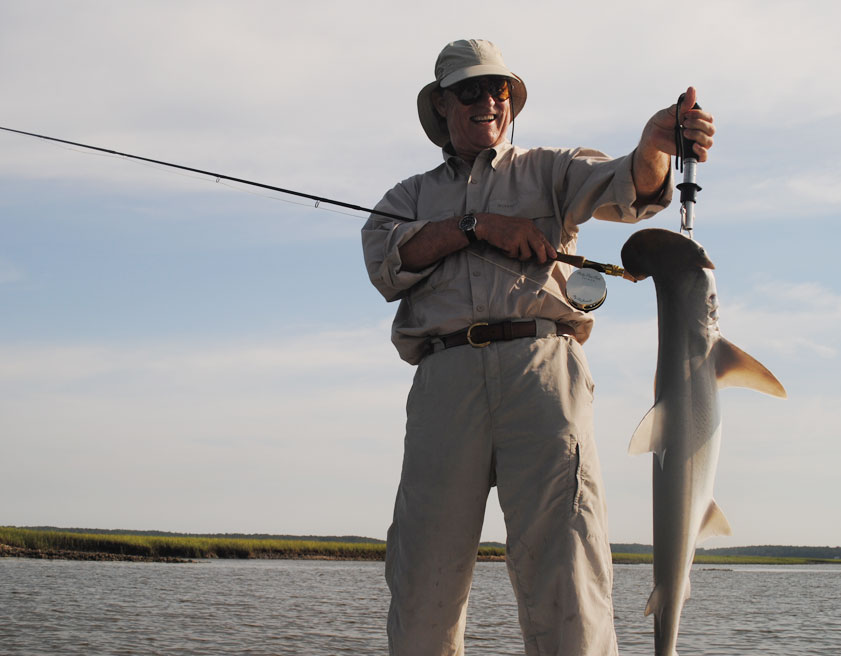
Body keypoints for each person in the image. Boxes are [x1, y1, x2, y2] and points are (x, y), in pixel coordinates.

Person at [361, 39, 715, 656]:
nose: (487, 101)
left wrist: (658, 147)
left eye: (499, 89)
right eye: (469, 90)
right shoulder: (407, 198)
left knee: (568, 570)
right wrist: (477, 226)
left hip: (544, 370)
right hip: (445, 379)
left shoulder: (553, 169)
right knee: (424, 577)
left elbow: (628, 186)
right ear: (442, 107)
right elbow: (386, 262)